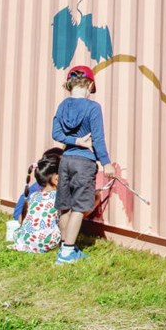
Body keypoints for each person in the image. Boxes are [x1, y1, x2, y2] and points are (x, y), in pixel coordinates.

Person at [51, 65, 120, 264]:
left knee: (64, 205)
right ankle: (67, 253)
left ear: (69, 85)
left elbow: (56, 134)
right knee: (79, 208)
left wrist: (73, 141)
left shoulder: (63, 105)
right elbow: (98, 139)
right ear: (89, 85)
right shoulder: (93, 107)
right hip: (84, 162)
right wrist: (106, 163)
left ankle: (64, 246)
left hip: (66, 161)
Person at [8, 153, 62, 253]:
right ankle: (66, 246)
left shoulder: (33, 195)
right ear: (56, 179)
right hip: (45, 242)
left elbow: (21, 219)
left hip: (24, 240)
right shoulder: (59, 197)